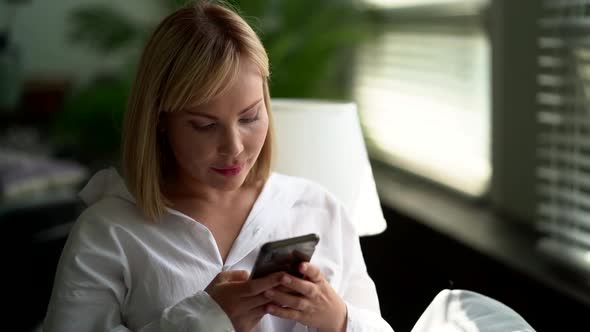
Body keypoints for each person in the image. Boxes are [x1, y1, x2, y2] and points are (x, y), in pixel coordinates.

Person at [42, 1, 393, 331]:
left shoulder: (319, 209)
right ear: (160, 120)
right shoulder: (109, 232)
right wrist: (205, 319)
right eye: (205, 125)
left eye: (250, 116)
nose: (234, 147)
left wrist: (338, 318)